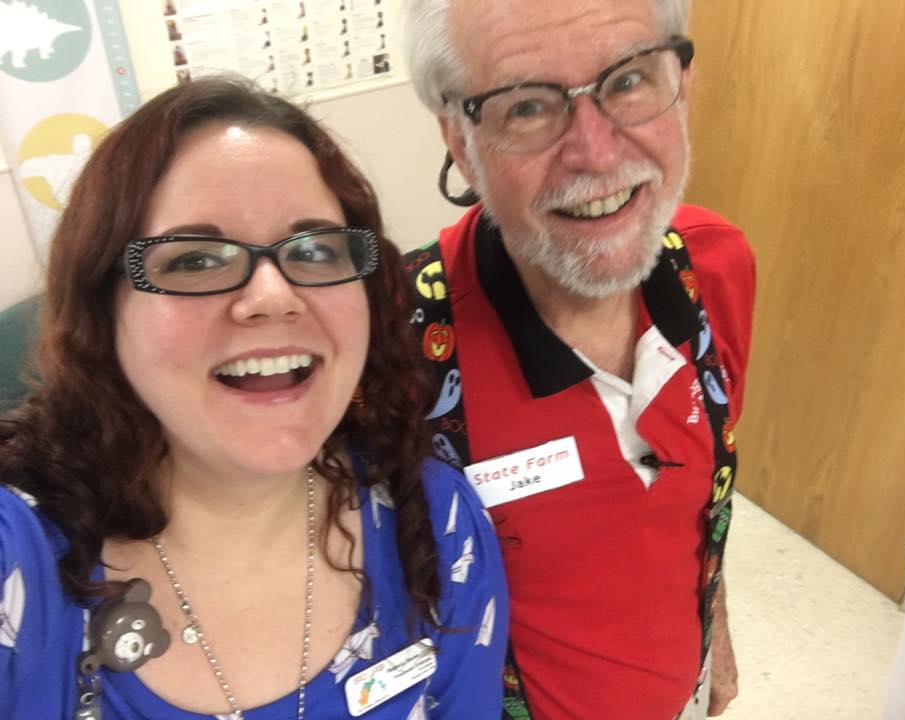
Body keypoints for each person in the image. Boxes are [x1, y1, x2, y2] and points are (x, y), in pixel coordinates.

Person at [0, 77, 508, 719]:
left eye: (316, 249)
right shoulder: (17, 559)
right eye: (193, 260)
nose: (273, 296)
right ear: (104, 313)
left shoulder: (434, 521)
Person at [400, 0, 755, 718]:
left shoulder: (717, 266)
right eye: (527, 106)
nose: (597, 152)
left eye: (628, 80)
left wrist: (712, 622)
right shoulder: (397, 349)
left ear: (680, 85)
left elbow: (691, 502)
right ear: (462, 142)